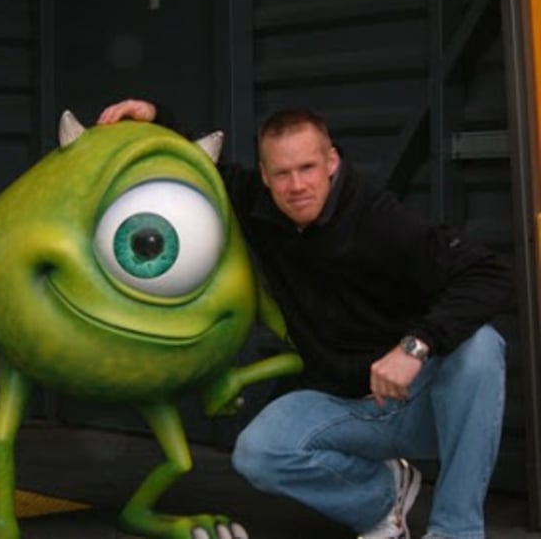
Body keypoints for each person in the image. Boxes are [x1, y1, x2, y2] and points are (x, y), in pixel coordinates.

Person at [97, 99, 510, 539]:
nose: (297, 185)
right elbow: (198, 168)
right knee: (258, 453)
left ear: (331, 162)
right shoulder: (259, 206)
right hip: (342, 402)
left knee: (481, 347)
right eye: (282, 173)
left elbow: (488, 274)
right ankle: (381, 502)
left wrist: (415, 346)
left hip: (416, 401)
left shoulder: (380, 218)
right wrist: (157, 118)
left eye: (308, 168)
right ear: (264, 175)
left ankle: (456, 531)